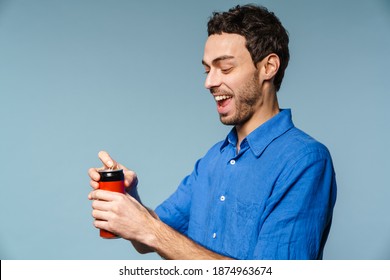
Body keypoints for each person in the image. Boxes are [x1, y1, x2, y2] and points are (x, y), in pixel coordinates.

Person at [88, 4, 337, 260]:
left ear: (268, 67)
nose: (209, 82)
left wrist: (149, 229)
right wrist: (132, 205)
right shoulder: (212, 161)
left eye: (225, 69)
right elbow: (150, 239)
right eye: (207, 70)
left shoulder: (305, 161)